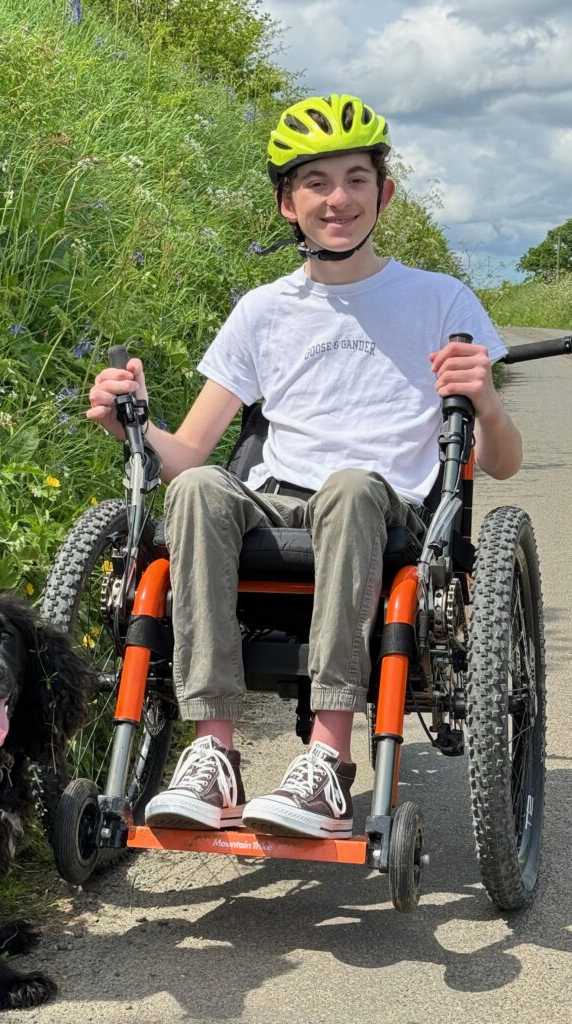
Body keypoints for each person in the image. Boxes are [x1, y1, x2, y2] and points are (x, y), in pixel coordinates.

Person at [86, 93, 522, 840]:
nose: (339, 198)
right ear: (289, 203)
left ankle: (328, 760)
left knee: (351, 487)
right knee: (194, 488)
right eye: (316, 183)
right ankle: (212, 754)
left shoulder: (440, 299)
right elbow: (187, 453)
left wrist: (483, 400)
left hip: (383, 511)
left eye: (357, 179)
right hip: (278, 502)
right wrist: (129, 422)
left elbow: (505, 464)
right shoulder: (262, 310)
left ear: (383, 194)